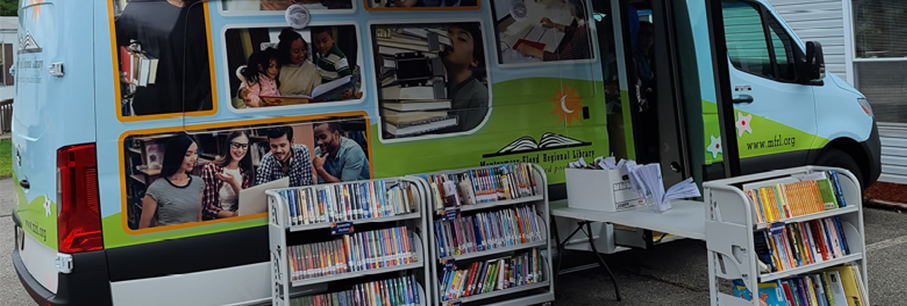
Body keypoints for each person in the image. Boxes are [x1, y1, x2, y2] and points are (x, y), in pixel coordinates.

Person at [116, 0, 212, 116]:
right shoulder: (140, 7)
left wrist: (200, 91)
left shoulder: (209, 11)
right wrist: (121, 70)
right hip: (149, 108)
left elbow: (215, 56)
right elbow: (114, 41)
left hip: (192, 108)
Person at [138, 133, 205, 229]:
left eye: (195, 153)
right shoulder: (156, 189)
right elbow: (143, 228)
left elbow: (199, 220)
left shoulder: (198, 183)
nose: (194, 158)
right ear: (176, 155)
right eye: (188, 154)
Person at [439, 23, 489, 132]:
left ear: (474, 60)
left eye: (461, 38)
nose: (450, 39)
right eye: (447, 34)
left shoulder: (478, 96)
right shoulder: (439, 88)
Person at [201, 131, 256, 220]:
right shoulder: (210, 168)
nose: (240, 150)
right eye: (236, 145)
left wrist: (233, 182)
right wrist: (231, 215)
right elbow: (207, 208)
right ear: (228, 145)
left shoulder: (245, 172)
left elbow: (246, 203)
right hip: (217, 221)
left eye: (244, 146)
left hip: (239, 220)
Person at [517, 0, 592, 61]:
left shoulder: (583, 32)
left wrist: (531, 51)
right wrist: (555, 25)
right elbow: (575, 31)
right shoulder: (588, 24)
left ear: (572, 12)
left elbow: (562, 60)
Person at [276, 28, 322, 97]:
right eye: (296, 51)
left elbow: (319, 94)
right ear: (286, 52)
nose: (302, 54)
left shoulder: (312, 69)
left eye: (303, 49)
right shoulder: (278, 68)